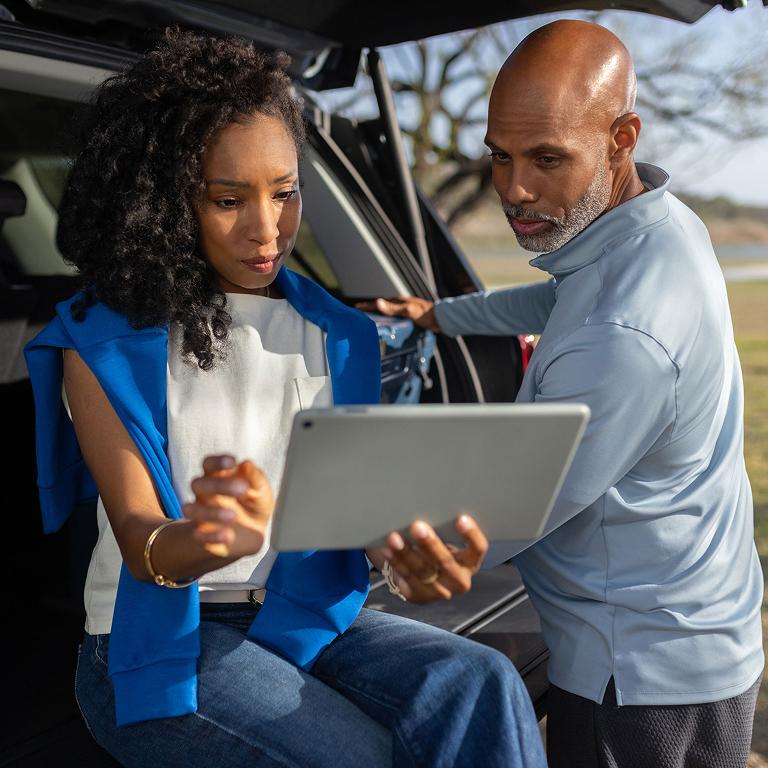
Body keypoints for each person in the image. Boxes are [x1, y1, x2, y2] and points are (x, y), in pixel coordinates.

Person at [23, 29, 546, 768]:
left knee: (479, 681)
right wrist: (205, 543)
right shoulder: (101, 343)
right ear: (167, 203)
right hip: (158, 635)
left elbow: (353, 510)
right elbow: (142, 538)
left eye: (286, 192)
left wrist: (406, 561)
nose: (268, 231)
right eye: (229, 199)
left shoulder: (335, 332)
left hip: (304, 619)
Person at [361, 19, 763, 768]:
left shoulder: (623, 340)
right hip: (699, 620)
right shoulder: (658, 230)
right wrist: (439, 314)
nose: (514, 189)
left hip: (639, 678)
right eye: (500, 157)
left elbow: (511, 508)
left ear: (623, 137)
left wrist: (350, 541)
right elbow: (558, 302)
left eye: (547, 159)